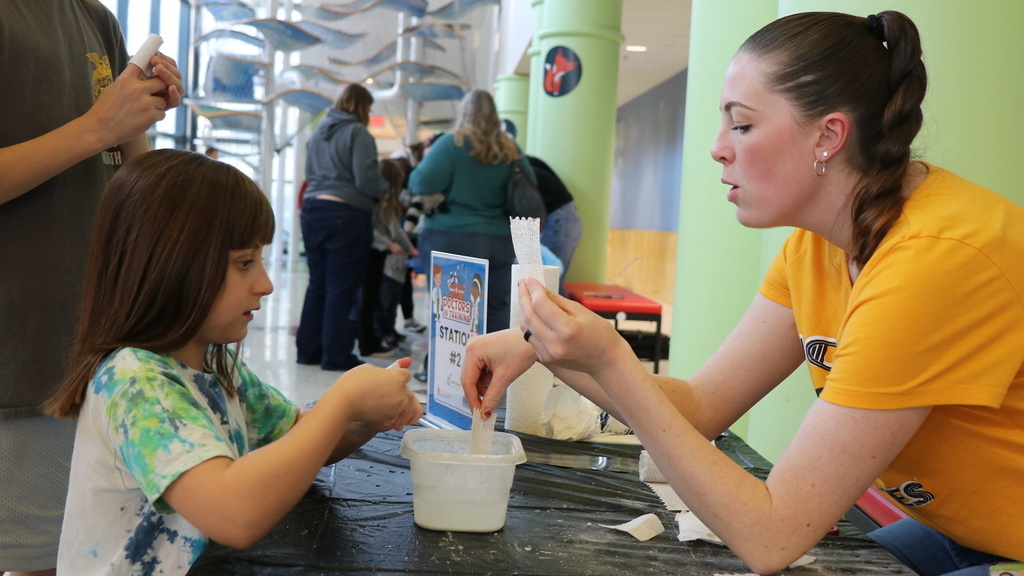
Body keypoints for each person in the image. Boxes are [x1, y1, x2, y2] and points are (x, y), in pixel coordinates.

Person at [461, 11, 1023, 575]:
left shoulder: (934, 258)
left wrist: (610, 356)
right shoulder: (815, 247)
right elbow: (702, 407)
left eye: (743, 125)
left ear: (828, 135)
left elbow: (772, 534)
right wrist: (545, 344)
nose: (717, 149)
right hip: (961, 529)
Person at [44, 149, 422, 575]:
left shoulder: (214, 361)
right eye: (244, 263)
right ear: (172, 266)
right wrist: (344, 403)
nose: (265, 283)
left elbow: (297, 441)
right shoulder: (137, 382)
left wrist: (366, 417)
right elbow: (233, 515)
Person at [0, 3, 183, 574]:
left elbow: (124, 176)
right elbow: (90, 136)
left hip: (77, 353)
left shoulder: (94, 17)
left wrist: (135, 117)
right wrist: (98, 126)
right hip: (16, 354)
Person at [409, 90, 536, 334]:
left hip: (451, 237)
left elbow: (419, 183)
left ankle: (448, 369)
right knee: (496, 307)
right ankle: (491, 367)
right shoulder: (510, 148)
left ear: (463, 112)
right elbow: (529, 184)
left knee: (447, 307)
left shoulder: (451, 143)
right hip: (498, 240)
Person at [295, 83, 391, 370]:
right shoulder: (358, 133)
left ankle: (308, 351)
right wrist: (385, 188)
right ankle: (335, 355)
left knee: (317, 284)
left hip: (312, 209)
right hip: (345, 213)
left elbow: (309, 175)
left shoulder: (317, 134)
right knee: (341, 288)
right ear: (362, 107)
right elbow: (366, 179)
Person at [362, 158, 418, 354]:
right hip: (377, 255)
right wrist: (389, 244)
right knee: (378, 300)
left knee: (389, 298)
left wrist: (408, 246)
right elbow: (371, 229)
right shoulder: (375, 201)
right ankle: (380, 333)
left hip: (386, 257)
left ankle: (387, 330)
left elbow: (395, 228)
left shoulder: (387, 202)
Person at [526, 155, 582, 296]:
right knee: (550, 284)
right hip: (565, 218)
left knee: (549, 284)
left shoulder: (517, 167)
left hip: (559, 220)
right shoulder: (523, 162)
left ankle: (556, 317)